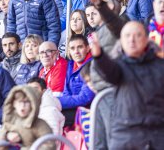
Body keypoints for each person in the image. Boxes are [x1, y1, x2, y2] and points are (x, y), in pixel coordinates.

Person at [91, 21, 164, 149]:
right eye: (127, 35)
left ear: (147, 39)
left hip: (156, 134)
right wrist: (99, 56)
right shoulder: (119, 64)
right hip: (125, 135)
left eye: (137, 35)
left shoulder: (159, 65)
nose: (132, 40)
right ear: (121, 41)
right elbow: (109, 72)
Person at [58, 34, 95, 126]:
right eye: (72, 48)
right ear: (69, 51)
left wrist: (57, 102)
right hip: (74, 108)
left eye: (80, 47)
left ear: (87, 48)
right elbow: (66, 92)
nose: (76, 52)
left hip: (89, 110)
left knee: (55, 117)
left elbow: (86, 98)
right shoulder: (70, 66)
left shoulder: (93, 66)